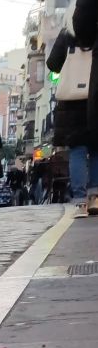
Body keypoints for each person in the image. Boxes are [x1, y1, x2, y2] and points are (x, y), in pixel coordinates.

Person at [51, 24, 98, 215]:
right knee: (96, 149)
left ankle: (80, 202)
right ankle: (95, 198)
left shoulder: (67, 33)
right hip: (96, 94)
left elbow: (53, 64)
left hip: (72, 102)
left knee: (77, 150)